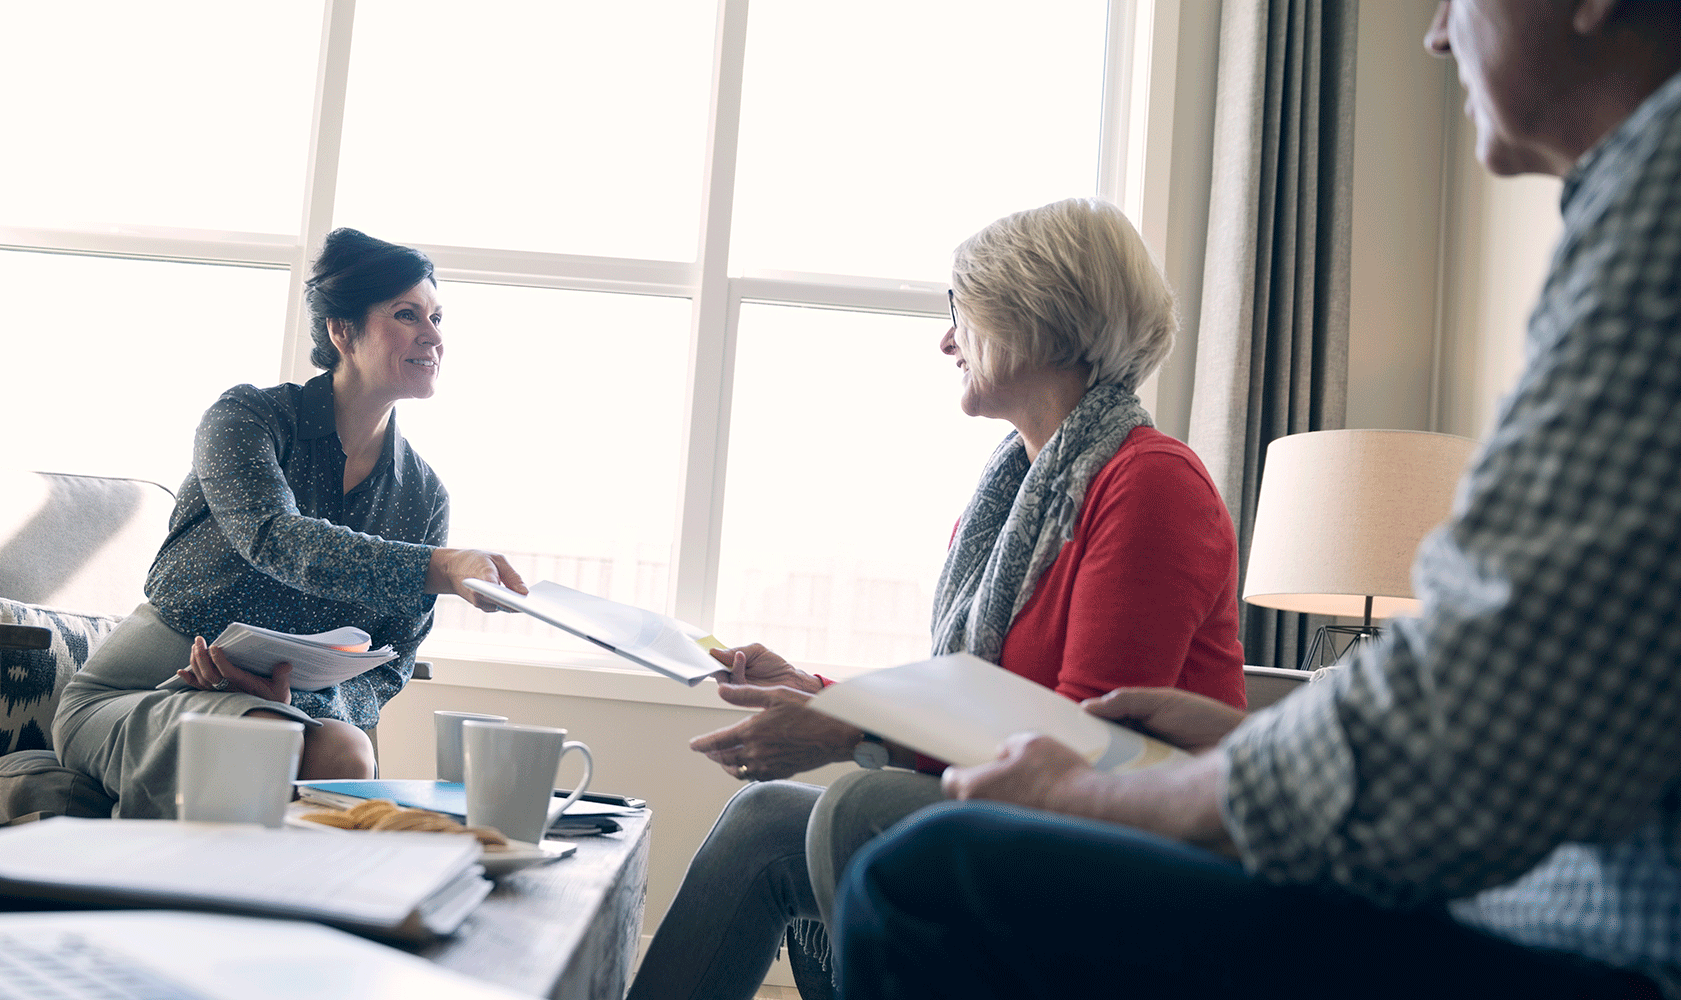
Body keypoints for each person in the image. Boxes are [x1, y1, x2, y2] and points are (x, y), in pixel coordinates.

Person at [833, 2, 1681, 998]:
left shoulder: (1655, 209)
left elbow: (1476, 716)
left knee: (925, 878)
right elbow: (1542, 692)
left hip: (1599, 948)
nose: (1437, 35)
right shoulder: (1005, 498)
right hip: (1522, 902)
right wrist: (1256, 738)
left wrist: (1101, 800)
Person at [626, 198, 1246, 1000]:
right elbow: (968, 704)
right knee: (769, 819)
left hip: (1137, 841)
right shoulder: (1008, 500)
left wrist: (848, 727)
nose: (947, 338)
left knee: (862, 807)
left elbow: (1085, 747)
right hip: (1046, 808)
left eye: (961, 308)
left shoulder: (1151, 481)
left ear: (1035, 313)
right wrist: (817, 697)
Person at [53, 228, 526, 820]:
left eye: (437, 317)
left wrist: (297, 696)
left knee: (347, 750)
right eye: (408, 315)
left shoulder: (423, 493)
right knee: (263, 738)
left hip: (275, 708)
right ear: (342, 331)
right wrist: (441, 565)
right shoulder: (247, 418)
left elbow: (392, 659)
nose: (433, 336)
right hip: (135, 695)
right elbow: (277, 539)